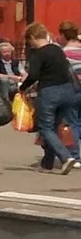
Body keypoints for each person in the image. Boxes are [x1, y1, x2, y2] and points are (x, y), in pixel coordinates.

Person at [18, 22, 77, 174]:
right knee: (54, 128)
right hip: (68, 91)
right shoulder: (57, 50)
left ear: (32, 37)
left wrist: (22, 88)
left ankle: (66, 157)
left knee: (45, 128)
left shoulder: (38, 53)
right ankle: (47, 163)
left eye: (29, 41)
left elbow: (34, 75)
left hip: (50, 92)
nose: (29, 44)